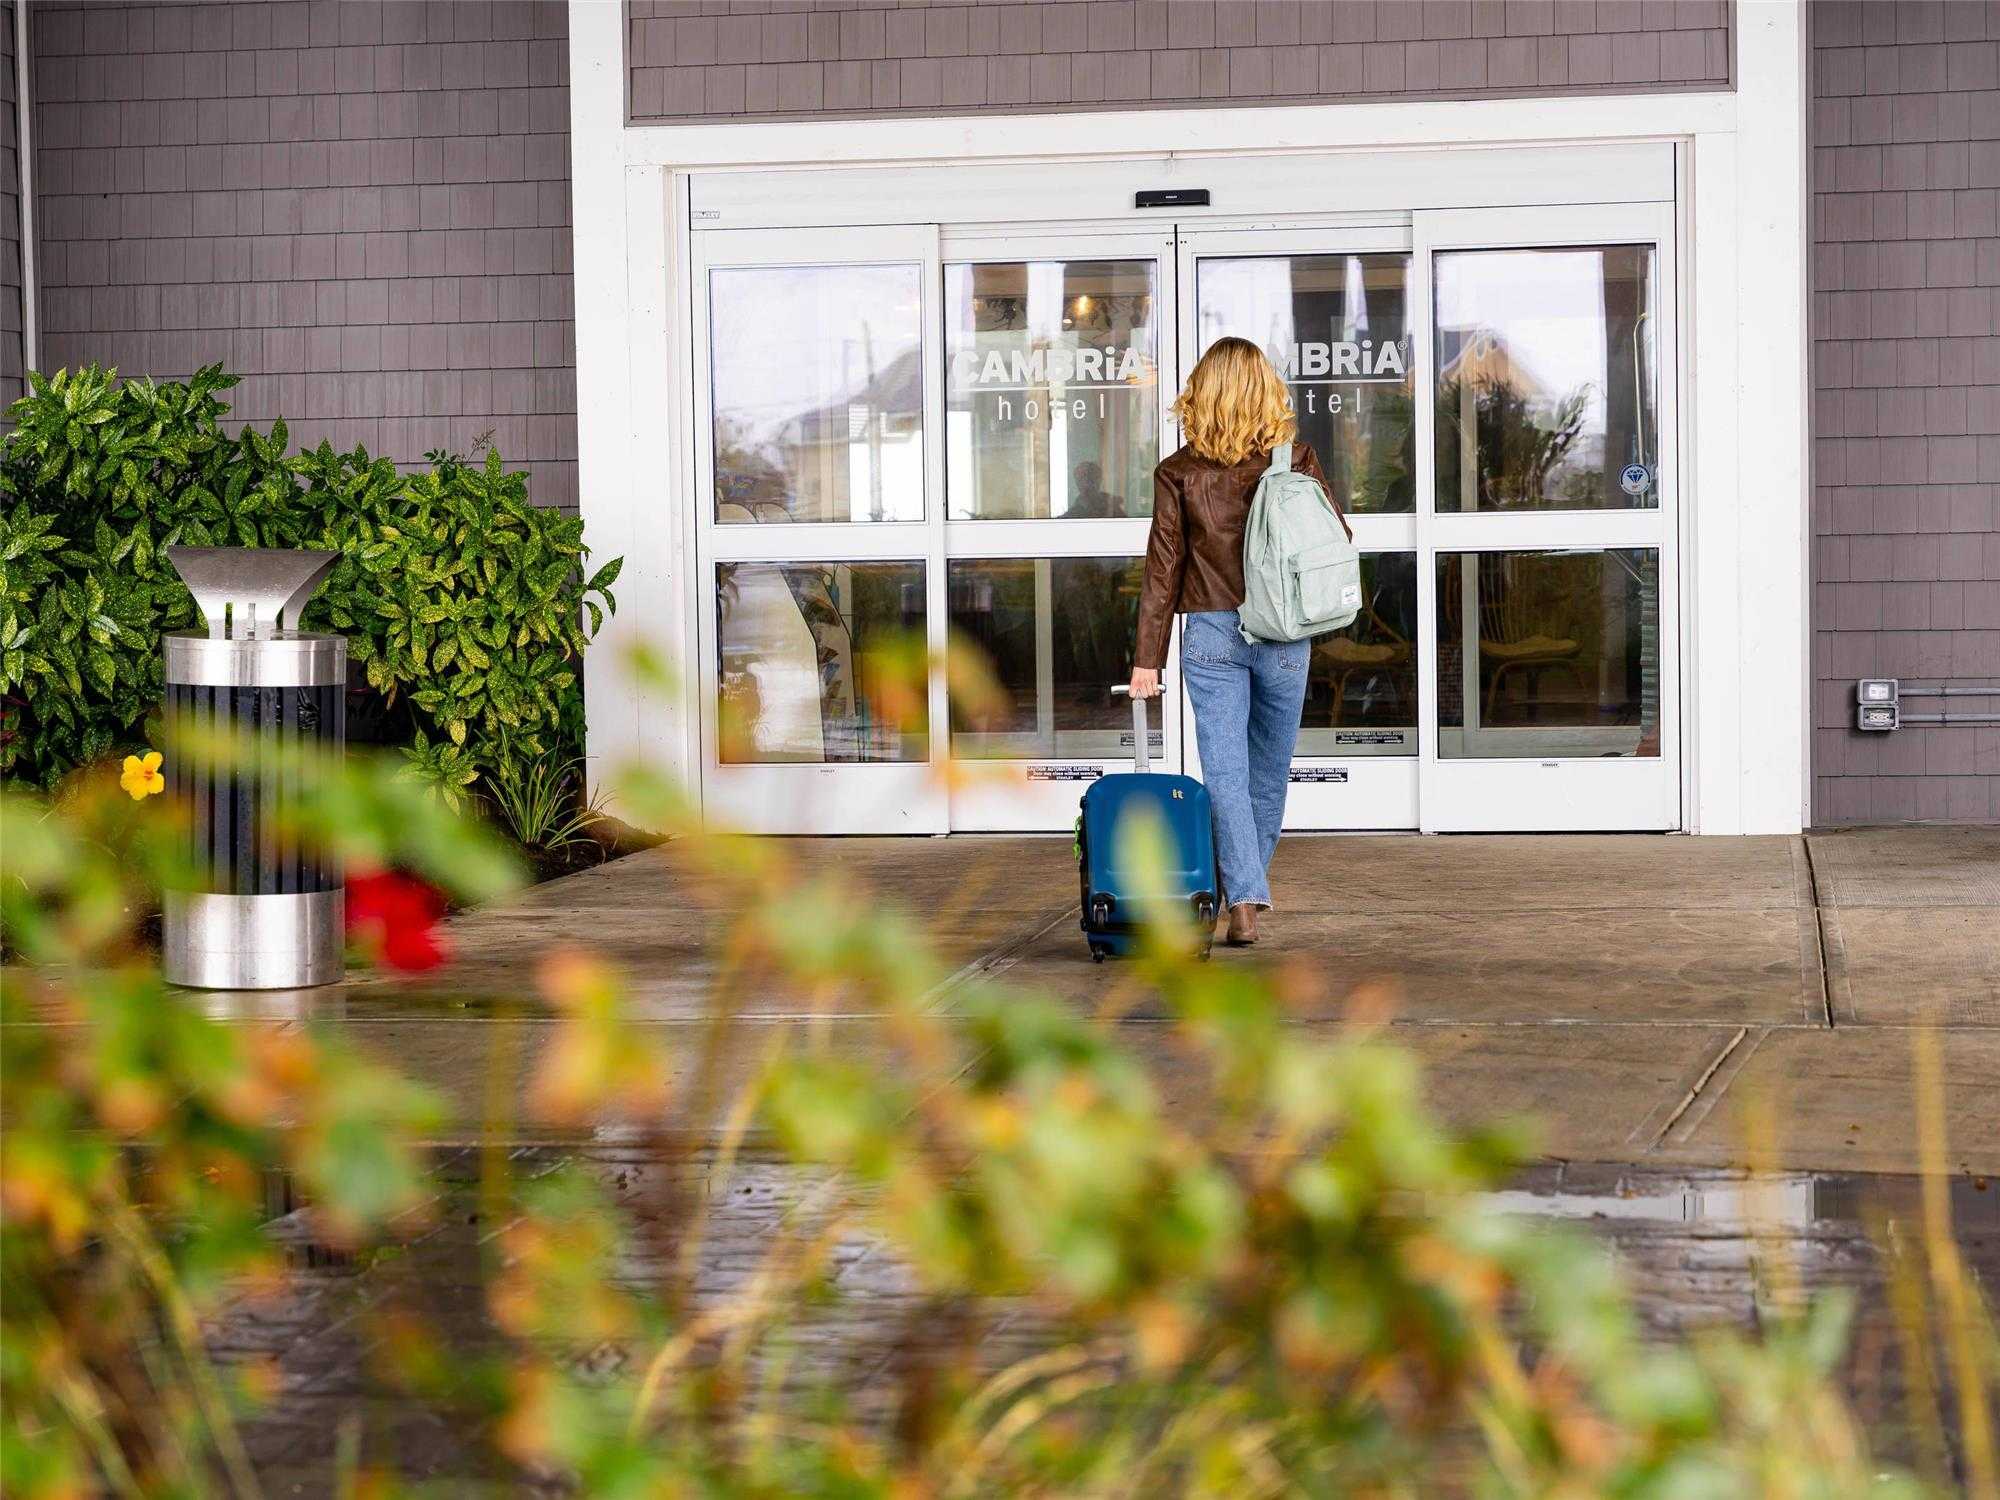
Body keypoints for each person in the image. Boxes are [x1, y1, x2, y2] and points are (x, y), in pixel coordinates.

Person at [1129, 337, 1339, 947]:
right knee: (1267, 772)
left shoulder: (1178, 472)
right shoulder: (1294, 459)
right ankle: (1246, 895)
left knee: (1225, 772)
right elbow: (1332, 539)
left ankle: (1242, 895)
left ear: (1203, 393)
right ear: (1264, 390)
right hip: (1283, 631)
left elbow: (1162, 570)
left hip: (1212, 632)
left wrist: (1149, 658)